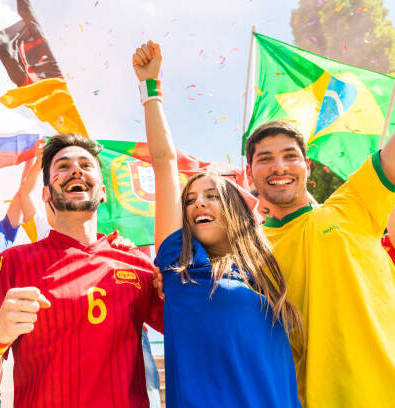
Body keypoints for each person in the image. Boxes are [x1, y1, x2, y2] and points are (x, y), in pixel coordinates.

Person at [133, 41, 302, 407]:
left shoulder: (267, 273)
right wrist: (151, 88)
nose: (198, 203)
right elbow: (164, 162)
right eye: (190, 200)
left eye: (212, 195)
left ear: (236, 211)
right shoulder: (181, 267)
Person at [0, 133, 164, 407]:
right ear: (47, 195)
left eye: (86, 165)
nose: (75, 169)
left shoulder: (138, 265)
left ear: (103, 192)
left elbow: (194, 334)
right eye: (62, 166)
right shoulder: (13, 263)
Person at [245, 120, 395, 406]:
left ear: (308, 167)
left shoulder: (353, 205)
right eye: (265, 159)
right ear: (250, 174)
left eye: (290, 156)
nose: (279, 167)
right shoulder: (248, 254)